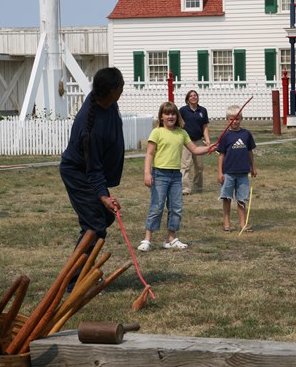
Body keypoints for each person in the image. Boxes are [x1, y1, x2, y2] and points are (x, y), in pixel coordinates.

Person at [60, 67, 125, 288]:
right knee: (95, 225)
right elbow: (92, 169)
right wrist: (102, 195)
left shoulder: (108, 103)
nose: (124, 87)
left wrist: (103, 195)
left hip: (89, 172)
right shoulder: (90, 129)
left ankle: (83, 271)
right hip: (78, 173)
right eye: (121, 85)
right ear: (112, 91)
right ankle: (74, 281)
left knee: (102, 219)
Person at [138, 101, 215, 252]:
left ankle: (171, 239)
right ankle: (147, 239)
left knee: (176, 207)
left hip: (175, 176)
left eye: (173, 113)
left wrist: (208, 148)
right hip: (159, 174)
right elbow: (149, 154)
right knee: (157, 207)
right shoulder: (157, 132)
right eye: (167, 113)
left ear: (177, 116)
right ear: (161, 117)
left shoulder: (182, 133)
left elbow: (194, 149)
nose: (170, 116)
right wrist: (147, 173)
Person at [217, 105, 257, 232]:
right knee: (227, 198)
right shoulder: (225, 136)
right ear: (227, 120)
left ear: (241, 119)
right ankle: (227, 223)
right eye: (231, 119)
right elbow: (221, 155)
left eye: (237, 119)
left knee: (241, 199)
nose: (234, 121)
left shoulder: (246, 134)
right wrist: (220, 172)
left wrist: (253, 167)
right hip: (228, 172)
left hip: (243, 173)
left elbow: (250, 151)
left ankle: (242, 223)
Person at [180, 90, 210, 195]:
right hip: (186, 142)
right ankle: (185, 188)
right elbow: (179, 125)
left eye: (195, 95)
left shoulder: (203, 110)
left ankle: (198, 186)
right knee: (185, 166)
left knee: (199, 166)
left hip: (198, 141)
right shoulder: (183, 110)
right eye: (191, 96)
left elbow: (205, 126)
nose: (193, 97)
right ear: (187, 99)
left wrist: (207, 140)